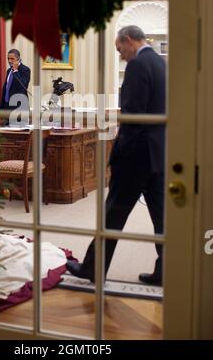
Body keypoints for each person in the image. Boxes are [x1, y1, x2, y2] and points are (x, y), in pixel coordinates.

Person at [66, 25, 166, 286]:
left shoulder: (137, 65)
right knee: (163, 218)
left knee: (112, 215)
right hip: (158, 155)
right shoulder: (161, 64)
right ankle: (165, 270)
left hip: (135, 159)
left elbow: (131, 116)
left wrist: (118, 154)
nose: (121, 55)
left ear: (129, 40)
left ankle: (92, 269)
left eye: (120, 49)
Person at [0, 48, 31, 113]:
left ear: (18, 59)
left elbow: (23, 86)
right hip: (7, 107)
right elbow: (6, 88)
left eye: (12, 59)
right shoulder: (9, 70)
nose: (9, 61)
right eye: (8, 59)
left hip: (19, 107)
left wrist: (16, 70)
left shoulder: (25, 69)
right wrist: (0, 106)